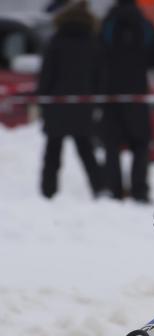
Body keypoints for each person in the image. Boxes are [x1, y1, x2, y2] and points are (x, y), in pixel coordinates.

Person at [99, 0, 154, 202]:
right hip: (138, 96)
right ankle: (139, 190)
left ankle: (115, 190)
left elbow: (98, 58)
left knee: (111, 145)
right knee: (140, 144)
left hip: (110, 96)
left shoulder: (108, 24)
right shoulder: (144, 25)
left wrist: (96, 93)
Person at [36, 0, 102, 199]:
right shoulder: (93, 40)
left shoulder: (56, 40)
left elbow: (46, 74)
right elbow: (99, 74)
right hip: (83, 105)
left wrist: (42, 98)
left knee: (53, 151)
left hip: (56, 105)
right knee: (86, 150)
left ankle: (48, 191)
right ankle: (99, 187)